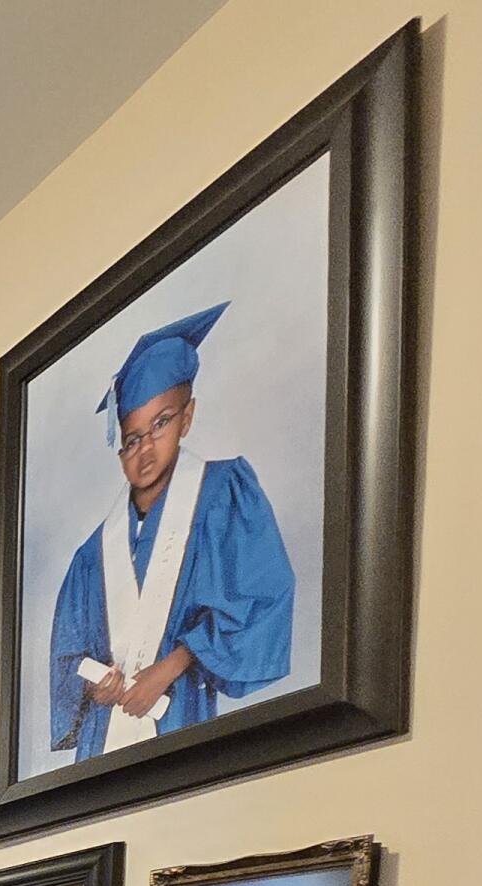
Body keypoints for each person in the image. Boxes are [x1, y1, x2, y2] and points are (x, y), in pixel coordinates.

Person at [46, 302, 296, 767]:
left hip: (181, 717)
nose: (145, 450)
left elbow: (260, 598)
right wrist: (92, 683)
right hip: (105, 742)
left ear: (188, 417)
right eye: (132, 438)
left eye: (160, 424)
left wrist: (171, 666)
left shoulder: (224, 494)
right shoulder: (93, 553)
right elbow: (68, 655)